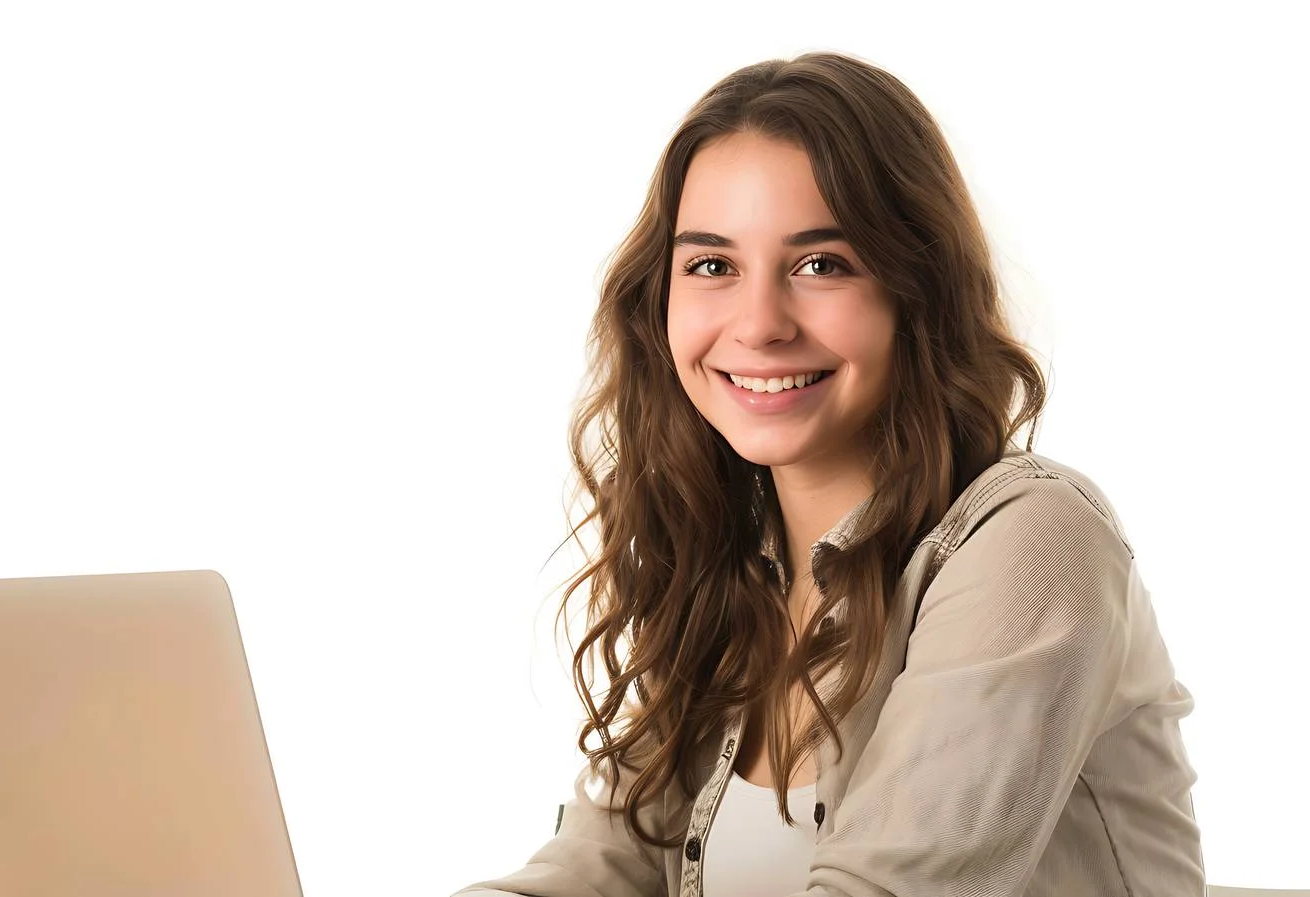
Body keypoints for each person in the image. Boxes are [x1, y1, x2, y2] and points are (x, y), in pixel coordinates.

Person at [453, 52, 1204, 897]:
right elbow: (606, 865)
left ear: (916, 287)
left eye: (822, 264)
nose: (760, 323)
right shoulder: (731, 571)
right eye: (711, 265)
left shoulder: (1034, 543)